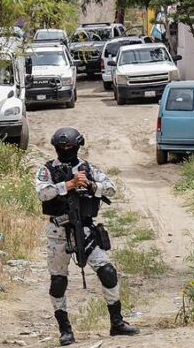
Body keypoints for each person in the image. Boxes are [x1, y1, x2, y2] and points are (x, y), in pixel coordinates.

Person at [35, 127, 139, 346]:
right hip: (58, 231)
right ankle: (65, 330)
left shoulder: (88, 168)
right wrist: (68, 185)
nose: (65, 150)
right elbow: (43, 193)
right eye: (61, 147)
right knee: (58, 280)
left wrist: (91, 186)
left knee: (108, 271)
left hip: (85, 229)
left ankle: (117, 322)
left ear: (77, 146)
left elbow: (111, 189)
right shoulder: (46, 170)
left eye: (70, 147)